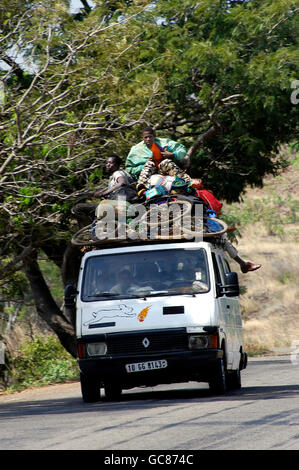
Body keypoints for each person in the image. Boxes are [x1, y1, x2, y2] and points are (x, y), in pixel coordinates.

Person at [72, 154, 136, 227]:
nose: (108, 165)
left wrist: (103, 193)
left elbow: (122, 182)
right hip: (122, 204)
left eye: (110, 163)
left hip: (117, 205)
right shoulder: (125, 173)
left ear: (117, 165)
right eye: (106, 163)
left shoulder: (117, 173)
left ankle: (88, 232)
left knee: (78, 208)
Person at [125, 127, 192, 190]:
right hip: (149, 172)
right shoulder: (136, 149)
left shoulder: (165, 143)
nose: (148, 139)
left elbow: (182, 150)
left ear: (154, 136)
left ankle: (187, 182)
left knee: (166, 162)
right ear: (142, 138)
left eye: (150, 137)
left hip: (164, 169)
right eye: (146, 137)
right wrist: (144, 165)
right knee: (149, 164)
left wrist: (173, 155)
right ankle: (142, 187)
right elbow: (129, 168)